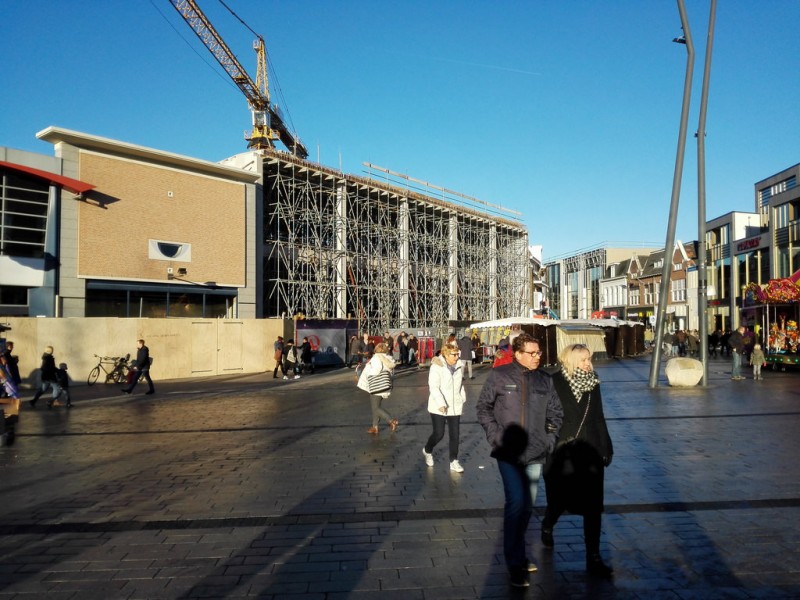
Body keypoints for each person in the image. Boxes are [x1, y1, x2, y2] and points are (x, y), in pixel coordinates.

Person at [476, 332, 563, 588]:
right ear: (518, 353)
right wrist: (496, 437)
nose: (538, 357)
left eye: (539, 353)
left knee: (527, 506)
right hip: (508, 453)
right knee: (516, 502)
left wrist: (549, 439)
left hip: (536, 452)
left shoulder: (545, 379)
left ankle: (520, 554)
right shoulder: (500, 376)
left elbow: (556, 413)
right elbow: (483, 408)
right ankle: (515, 563)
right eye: (532, 353)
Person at [542, 344, 614, 578]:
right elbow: (544, 416)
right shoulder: (553, 382)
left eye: (589, 359)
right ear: (571, 360)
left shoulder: (593, 383)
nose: (588, 364)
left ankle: (594, 557)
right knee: (559, 501)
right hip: (562, 450)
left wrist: (606, 446)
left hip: (590, 449)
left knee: (593, 507)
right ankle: (548, 523)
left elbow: (599, 416)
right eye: (583, 360)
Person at [423, 341, 467, 473]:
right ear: (446, 355)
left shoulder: (459, 366)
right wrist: (441, 403)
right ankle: (427, 450)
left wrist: (462, 397)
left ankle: (454, 461)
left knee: (455, 434)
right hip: (438, 405)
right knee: (439, 433)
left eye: (458, 354)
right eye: (454, 355)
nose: (457, 357)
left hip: (455, 404)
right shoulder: (437, 367)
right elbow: (434, 386)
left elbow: (460, 384)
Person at [356, 342, 398, 434]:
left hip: (377, 386)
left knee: (375, 408)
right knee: (376, 407)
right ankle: (375, 427)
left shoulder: (377, 358)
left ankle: (391, 421)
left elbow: (376, 370)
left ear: (377, 349)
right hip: (384, 386)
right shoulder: (387, 358)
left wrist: (368, 370)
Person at [0, 353, 21, 446]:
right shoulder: (2, 368)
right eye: (1, 357)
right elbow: (5, 380)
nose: (4, 358)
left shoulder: (4, 367)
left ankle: (8, 431)